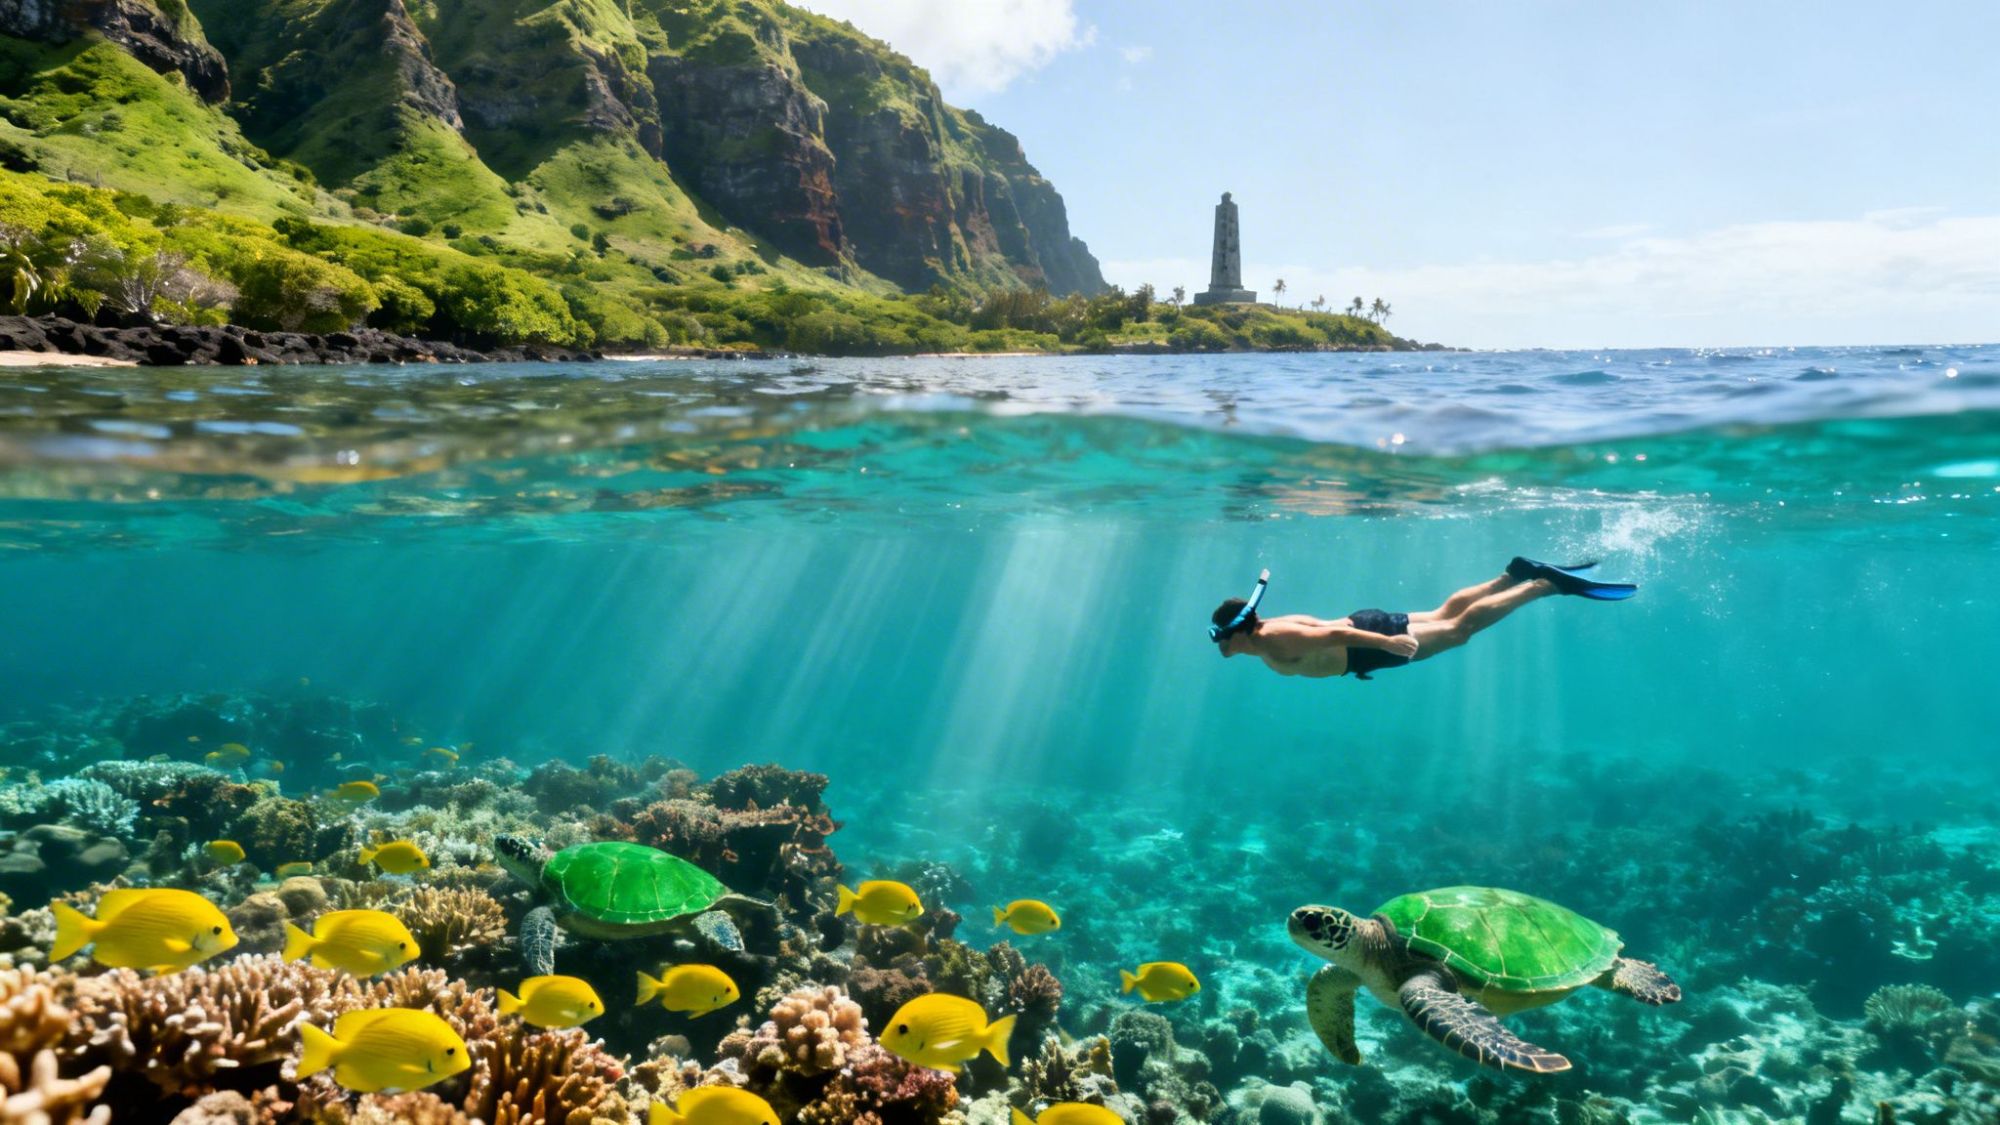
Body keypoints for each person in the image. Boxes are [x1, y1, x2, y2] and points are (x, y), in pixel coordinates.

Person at [1208, 558, 1635, 680]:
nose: (1219, 647)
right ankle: (1513, 574)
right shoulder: (1268, 631)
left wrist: (1388, 646)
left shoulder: (1274, 639)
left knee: (1458, 630)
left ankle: (1542, 585)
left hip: (1365, 645)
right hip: (1365, 631)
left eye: (1220, 639)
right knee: (1443, 613)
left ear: (1236, 633)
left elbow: (1336, 634)